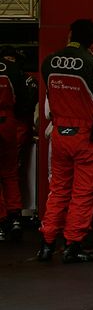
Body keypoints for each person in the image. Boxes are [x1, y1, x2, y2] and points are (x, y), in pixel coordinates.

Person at [38, 19, 93, 263]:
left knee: (58, 190)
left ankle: (46, 242)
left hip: (59, 134)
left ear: (69, 34)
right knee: (83, 192)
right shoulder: (92, 64)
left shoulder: (49, 62)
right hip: (85, 136)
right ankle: (73, 245)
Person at [0, 52, 31, 241]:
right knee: (10, 173)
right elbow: (24, 101)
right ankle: (15, 217)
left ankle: (1, 222)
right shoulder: (13, 70)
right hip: (8, 122)